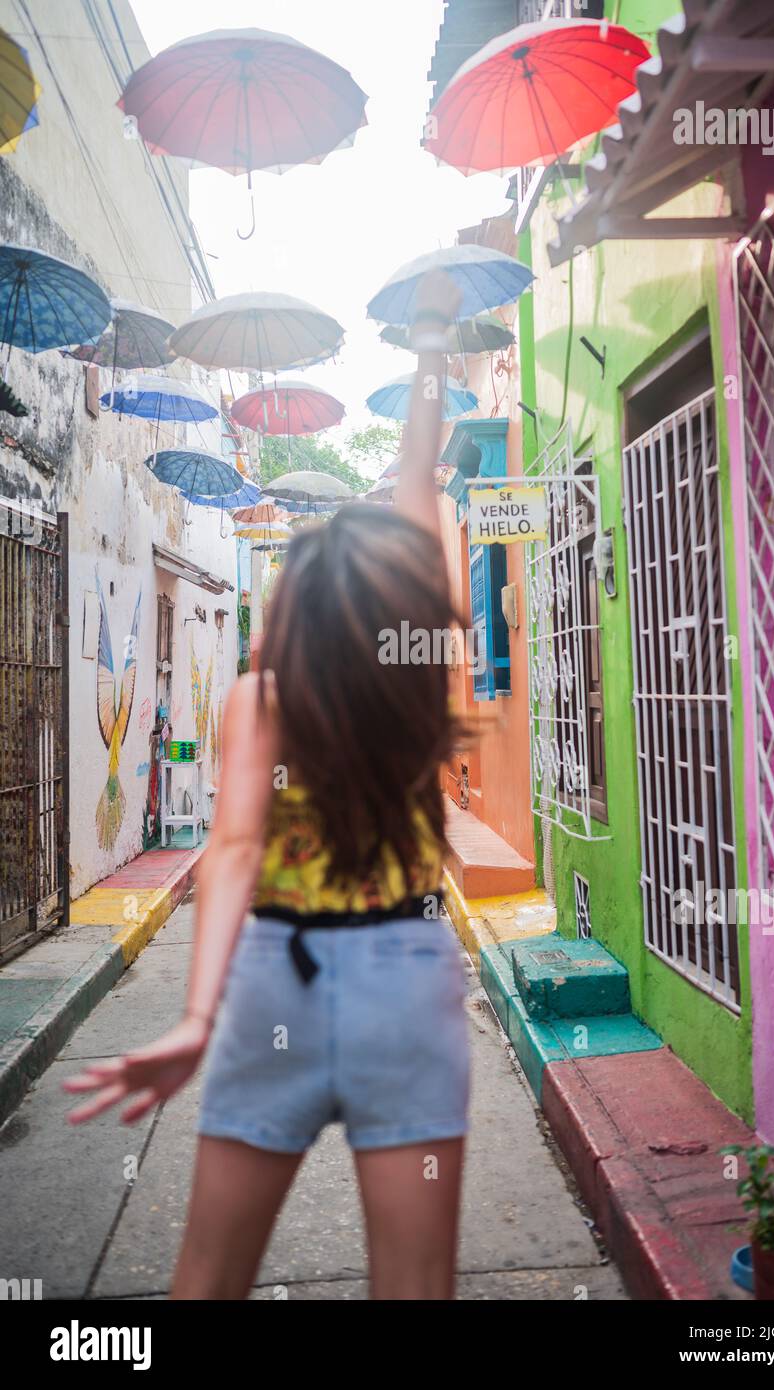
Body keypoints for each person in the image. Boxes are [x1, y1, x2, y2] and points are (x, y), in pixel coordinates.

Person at [64, 270, 472, 1301]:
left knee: (208, 1276)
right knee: (416, 1285)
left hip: (274, 979)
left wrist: (198, 1017)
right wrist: (429, 341)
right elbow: (418, 484)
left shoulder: (260, 698)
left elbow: (234, 851)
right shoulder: (419, 675)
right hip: (407, 971)